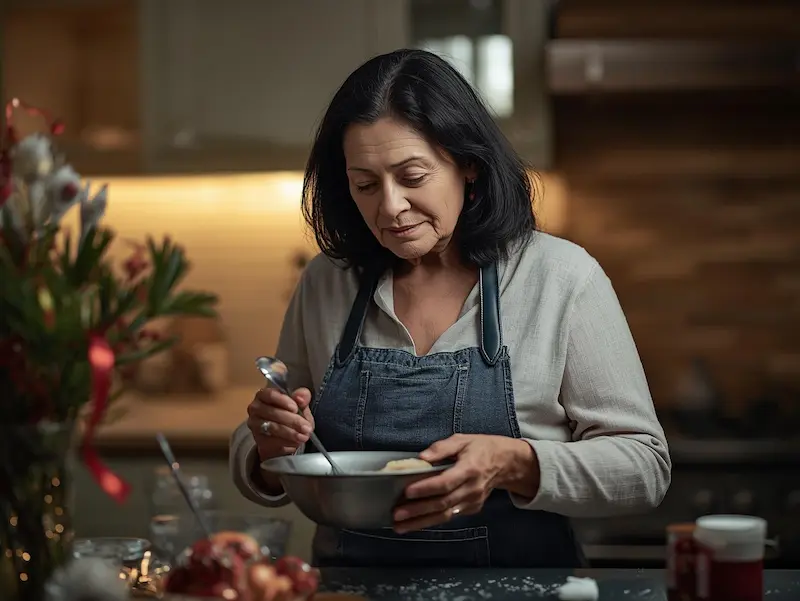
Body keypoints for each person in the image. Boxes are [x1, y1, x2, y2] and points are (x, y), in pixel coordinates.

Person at [230, 49, 671, 568]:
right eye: (365, 185)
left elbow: (645, 468)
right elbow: (276, 451)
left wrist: (517, 463)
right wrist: (266, 446)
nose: (389, 207)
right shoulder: (327, 282)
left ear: (468, 164)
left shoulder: (560, 277)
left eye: (412, 176)